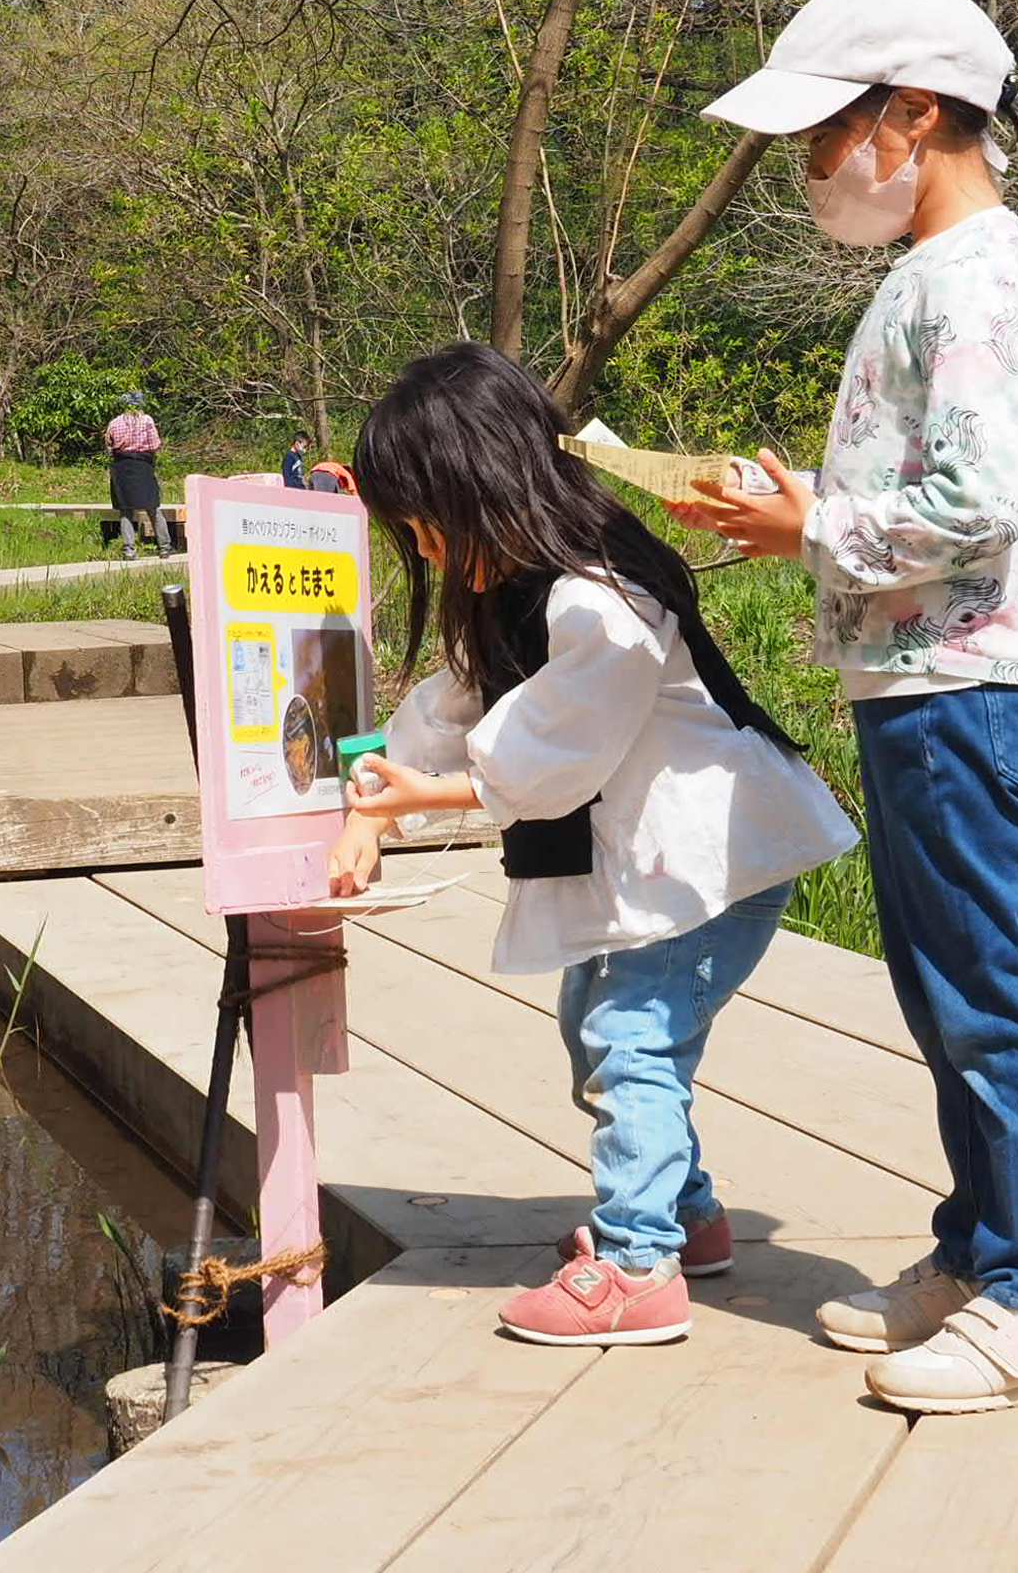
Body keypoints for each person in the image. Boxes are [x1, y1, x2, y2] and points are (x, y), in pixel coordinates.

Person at [674, 0, 1018, 1414]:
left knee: (991, 991)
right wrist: (817, 502)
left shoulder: (976, 280)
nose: (813, 170)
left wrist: (810, 526)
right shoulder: (936, 278)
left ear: (913, 117)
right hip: (919, 679)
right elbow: (934, 485)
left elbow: (977, 502)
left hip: (964, 685)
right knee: (940, 990)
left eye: (824, 137)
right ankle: (981, 1253)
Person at [327, 343, 857, 1347]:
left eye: (424, 529)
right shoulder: (518, 587)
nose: (426, 554)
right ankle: (687, 1217)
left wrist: (423, 796)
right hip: (655, 867)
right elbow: (452, 708)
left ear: (480, 488)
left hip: (714, 865)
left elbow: (554, 753)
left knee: (631, 1040)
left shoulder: (599, 598)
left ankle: (633, 1263)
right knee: (595, 1031)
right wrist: (369, 809)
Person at [104, 391, 164, 556]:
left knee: (125, 509)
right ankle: (165, 547)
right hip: (143, 465)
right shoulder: (147, 421)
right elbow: (155, 445)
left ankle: (129, 550)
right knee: (153, 507)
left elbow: (109, 445)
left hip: (122, 467)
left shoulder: (114, 422)